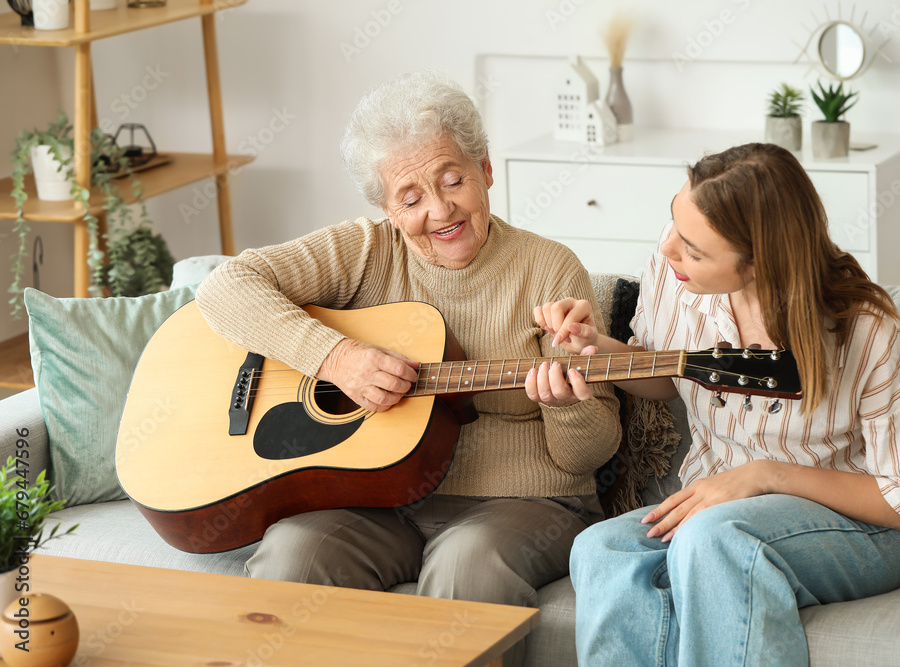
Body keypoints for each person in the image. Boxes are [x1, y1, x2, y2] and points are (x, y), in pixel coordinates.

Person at [195, 71, 620, 666]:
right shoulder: (365, 251)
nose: (440, 209)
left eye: (454, 181)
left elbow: (588, 456)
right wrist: (335, 357)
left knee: (466, 562)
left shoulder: (550, 268)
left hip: (523, 506)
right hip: (379, 498)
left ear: (487, 171)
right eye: (411, 197)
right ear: (386, 207)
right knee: (293, 554)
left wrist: (568, 406)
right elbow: (223, 287)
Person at [534, 142, 900, 666]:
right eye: (673, 226)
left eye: (695, 250)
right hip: (719, 512)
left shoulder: (865, 332)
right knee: (601, 550)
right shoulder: (676, 282)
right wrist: (599, 349)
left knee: (711, 538)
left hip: (862, 531)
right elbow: (670, 377)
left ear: (759, 264)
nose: (667, 252)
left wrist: (768, 475)